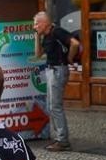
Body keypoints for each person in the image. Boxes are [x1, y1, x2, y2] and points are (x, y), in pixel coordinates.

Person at [32, 11, 81, 152]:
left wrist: (69, 59)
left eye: (36, 24)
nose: (34, 26)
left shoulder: (57, 31)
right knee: (51, 105)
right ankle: (60, 138)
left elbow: (75, 43)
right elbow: (38, 54)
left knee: (55, 106)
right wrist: (37, 36)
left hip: (58, 70)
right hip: (50, 70)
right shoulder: (46, 35)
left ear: (45, 23)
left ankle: (63, 140)